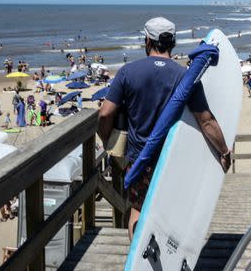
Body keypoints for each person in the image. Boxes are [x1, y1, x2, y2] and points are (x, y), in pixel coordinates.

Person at [98, 17, 231, 241]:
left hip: (138, 157)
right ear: (173, 42)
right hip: (173, 159)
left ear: (147, 41)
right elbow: (206, 121)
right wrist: (224, 151)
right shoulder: (186, 77)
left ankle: (140, 259)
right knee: (171, 210)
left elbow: (105, 113)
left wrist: (107, 139)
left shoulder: (128, 72)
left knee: (138, 209)